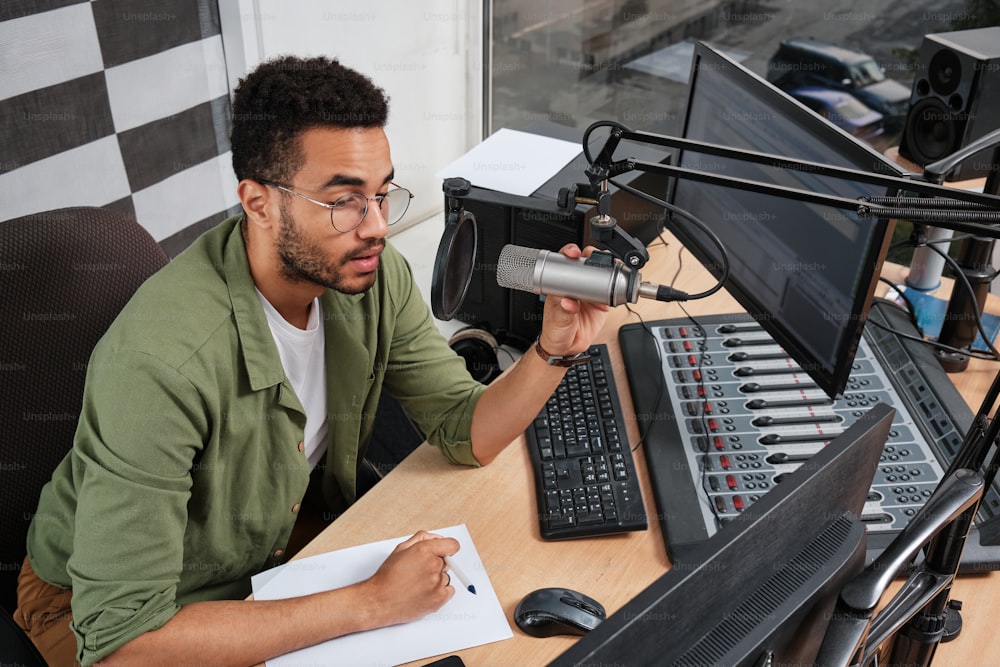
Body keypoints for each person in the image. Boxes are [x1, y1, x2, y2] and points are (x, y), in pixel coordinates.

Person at [14, 55, 608, 666]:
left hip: (266, 545)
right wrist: (369, 603)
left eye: (382, 194)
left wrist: (552, 350)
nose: (377, 225)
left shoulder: (371, 279)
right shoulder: (158, 367)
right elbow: (123, 645)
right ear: (259, 202)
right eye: (346, 200)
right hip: (99, 611)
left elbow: (464, 430)